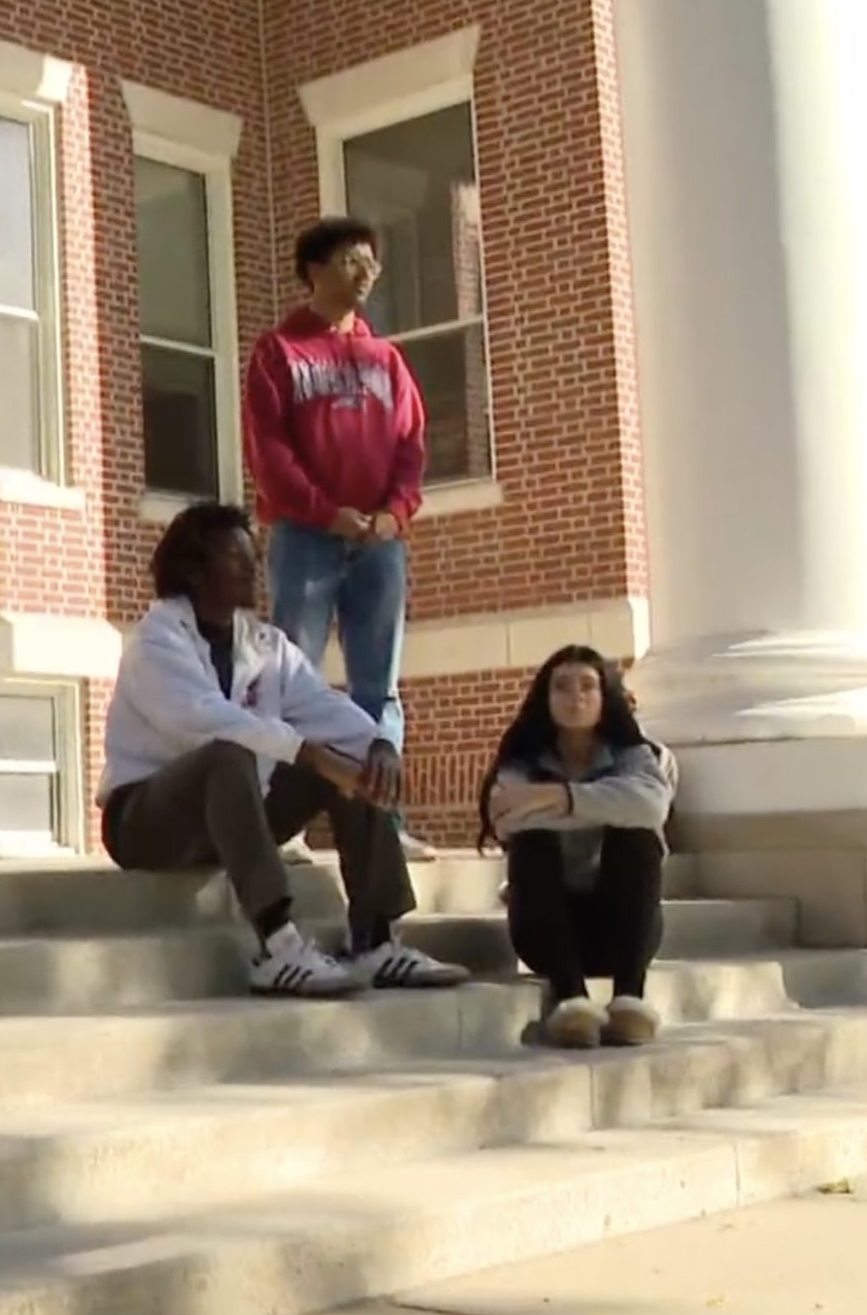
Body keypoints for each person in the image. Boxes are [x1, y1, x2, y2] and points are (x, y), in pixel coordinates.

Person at [99, 502, 469, 998]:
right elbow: (201, 720)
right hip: (147, 822)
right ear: (193, 569)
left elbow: (321, 705)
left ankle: (377, 941)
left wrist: (377, 743)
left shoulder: (265, 644)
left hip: (236, 810)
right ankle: (278, 947)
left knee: (352, 765)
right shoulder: (156, 641)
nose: (253, 569)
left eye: (253, 556)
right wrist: (309, 753)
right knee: (228, 752)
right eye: (236, 557)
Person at [244, 216, 434, 862]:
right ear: (316, 270)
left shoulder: (388, 360)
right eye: (353, 260)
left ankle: (386, 821)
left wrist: (393, 513)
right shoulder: (279, 352)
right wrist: (325, 513)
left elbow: (411, 446)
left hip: (380, 541)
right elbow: (270, 453)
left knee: (377, 683)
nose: (367, 273)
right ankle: (283, 820)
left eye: (372, 262)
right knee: (288, 673)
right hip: (305, 538)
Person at [478, 645, 679, 1049]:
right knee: (532, 843)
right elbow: (509, 818)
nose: (576, 697)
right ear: (545, 698)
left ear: (605, 697)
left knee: (636, 838)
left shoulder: (637, 754)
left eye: (588, 686)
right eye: (562, 687)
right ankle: (572, 1002)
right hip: (546, 933)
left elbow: (651, 807)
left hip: (624, 932)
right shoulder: (522, 760)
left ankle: (629, 1000)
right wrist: (605, 804)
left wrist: (559, 797)